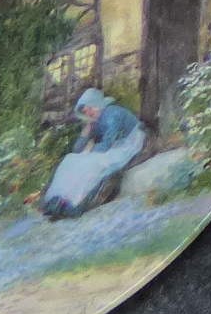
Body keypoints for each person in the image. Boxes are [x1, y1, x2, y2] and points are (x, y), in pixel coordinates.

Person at [43, 89, 146, 218]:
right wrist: (86, 131)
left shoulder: (111, 114)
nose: (88, 113)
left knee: (92, 164)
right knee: (69, 160)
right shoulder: (95, 121)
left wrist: (90, 149)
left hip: (128, 143)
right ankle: (60, 199)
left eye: (90, 109)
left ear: (96, 104)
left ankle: (75, 204)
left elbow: (107, 144)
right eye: (85, 112)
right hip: (112, 147)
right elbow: (77, 150)